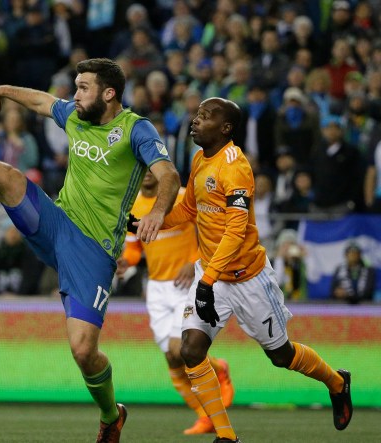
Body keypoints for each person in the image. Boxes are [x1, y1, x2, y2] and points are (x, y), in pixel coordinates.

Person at [0, 57, 181, 442]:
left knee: (84, 351)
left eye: (84, 87)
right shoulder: (77, 116)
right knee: (8, 178)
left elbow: (168, 174)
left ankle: (110, 415)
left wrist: (159, 212)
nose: (76, 94)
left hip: (94, 252)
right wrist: (2, 90)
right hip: (56, 224)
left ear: (109, 92)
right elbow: (41, 101)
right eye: (77, 86)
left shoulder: (136, 129)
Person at [148, 97, 352, 442]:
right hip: (211, 275)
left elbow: (236, 230)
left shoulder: (236, 167)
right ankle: (226, 436)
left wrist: (206, 282)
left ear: (225, 128)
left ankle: (336, 381)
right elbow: (188, 209)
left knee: (281, 354)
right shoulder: (199, 159)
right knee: (191, 350)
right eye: (196, 115)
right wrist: (150, 220)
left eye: (205, 116)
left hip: (247, 277)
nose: (195, 121)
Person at [121, 171, 234, 436]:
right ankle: (205, 417)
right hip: (157, 287)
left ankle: (219, 368)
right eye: (142, 168)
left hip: (189, 282)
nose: (148, 173)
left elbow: (211, 231)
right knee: (172, 360)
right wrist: (127, 261)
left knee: (179, 349)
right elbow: (134, 247)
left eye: (153, 167)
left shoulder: (182, 197)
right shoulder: (132, 206)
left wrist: (194, 260)